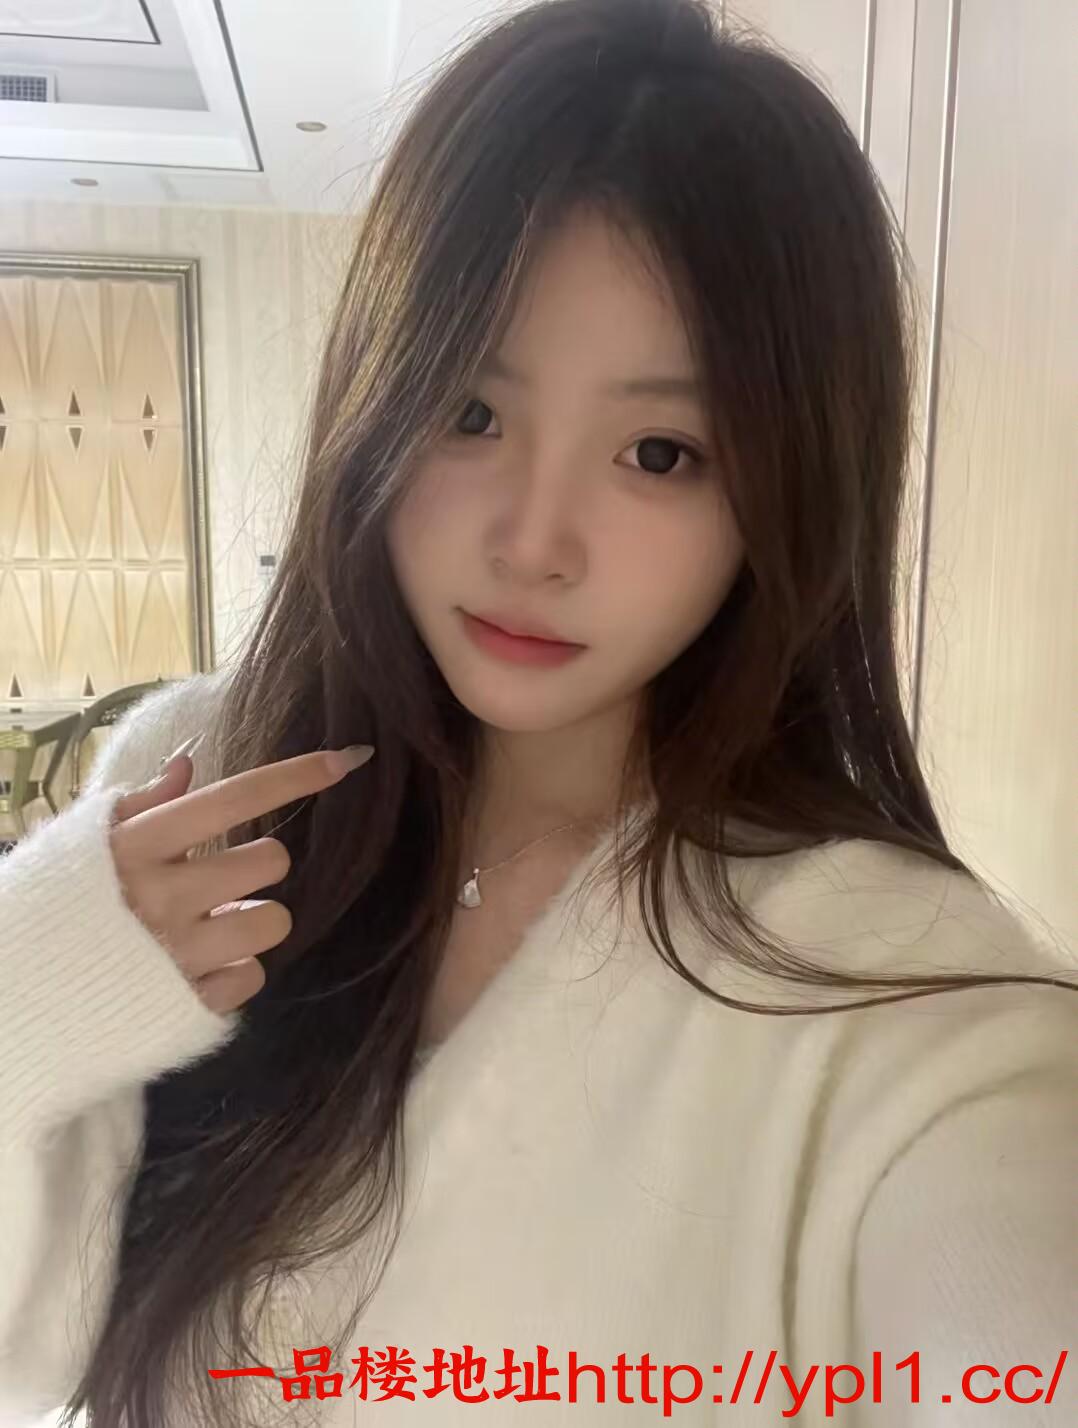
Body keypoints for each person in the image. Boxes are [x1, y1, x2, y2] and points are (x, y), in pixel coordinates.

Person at [1, 1, 1075, 1424]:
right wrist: (35, 978)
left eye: (659, 452)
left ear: (787, 494)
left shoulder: (901, 998)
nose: (531, 540)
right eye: (470, 411)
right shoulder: (195, 792)